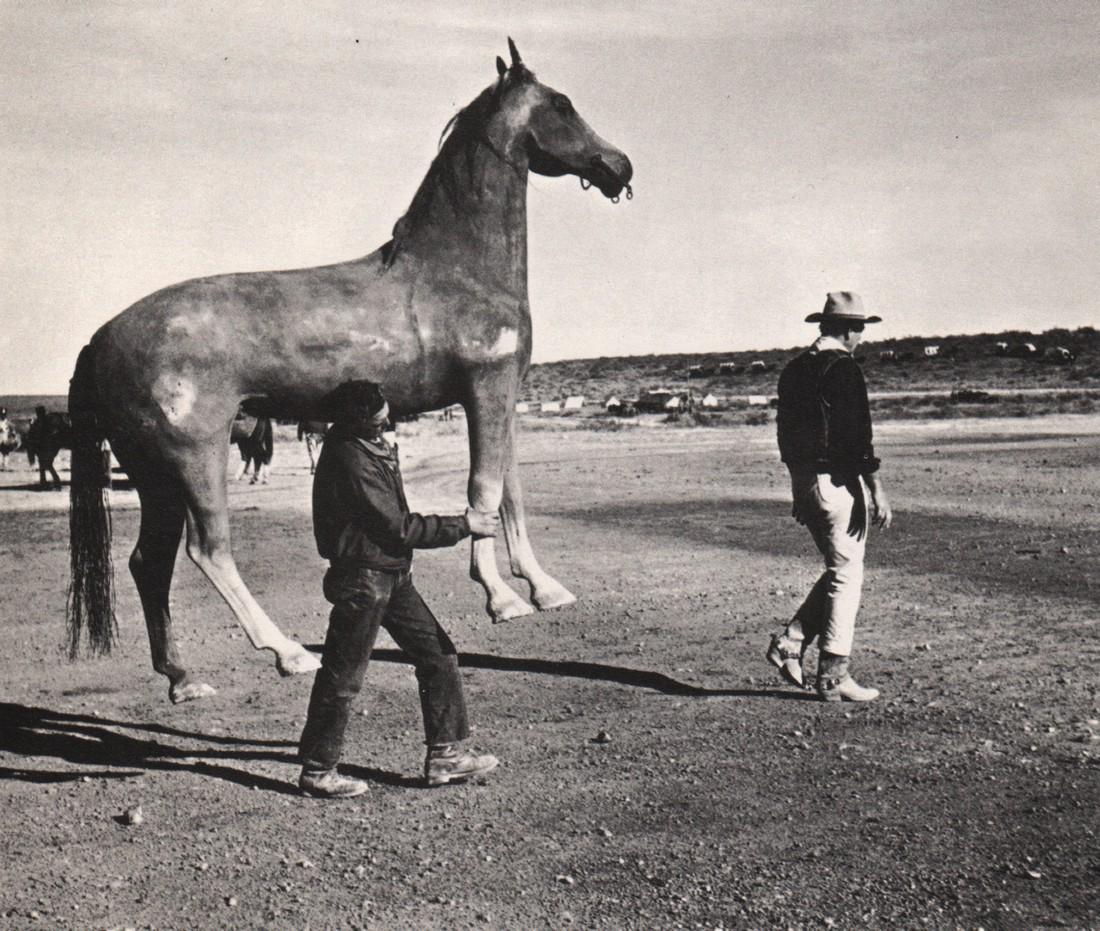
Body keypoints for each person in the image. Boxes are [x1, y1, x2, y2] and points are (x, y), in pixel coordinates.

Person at [297, 379, 501, 798]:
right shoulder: (351, 460)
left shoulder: (369, 445)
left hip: (391, 575)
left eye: (385, 417)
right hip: (363, 581)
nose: (385, 424)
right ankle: (318, 771)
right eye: (378, 421)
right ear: (357, 424)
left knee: (439, 655)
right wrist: (464, 525)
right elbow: (398, 526)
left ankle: (444, 755)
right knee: (343, 676)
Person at [768, 292, 893, 702]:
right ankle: (833, 675)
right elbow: (857, 437)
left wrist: (798, 488)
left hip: (804, 480)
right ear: (849, 330)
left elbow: (787, 435)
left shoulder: (795, 369)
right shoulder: (843, 368)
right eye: (859, 328)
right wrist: (875, 490)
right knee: (846, 574)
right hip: (835, 482)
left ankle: (792, 641)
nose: (861, 336)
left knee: (840, 568)